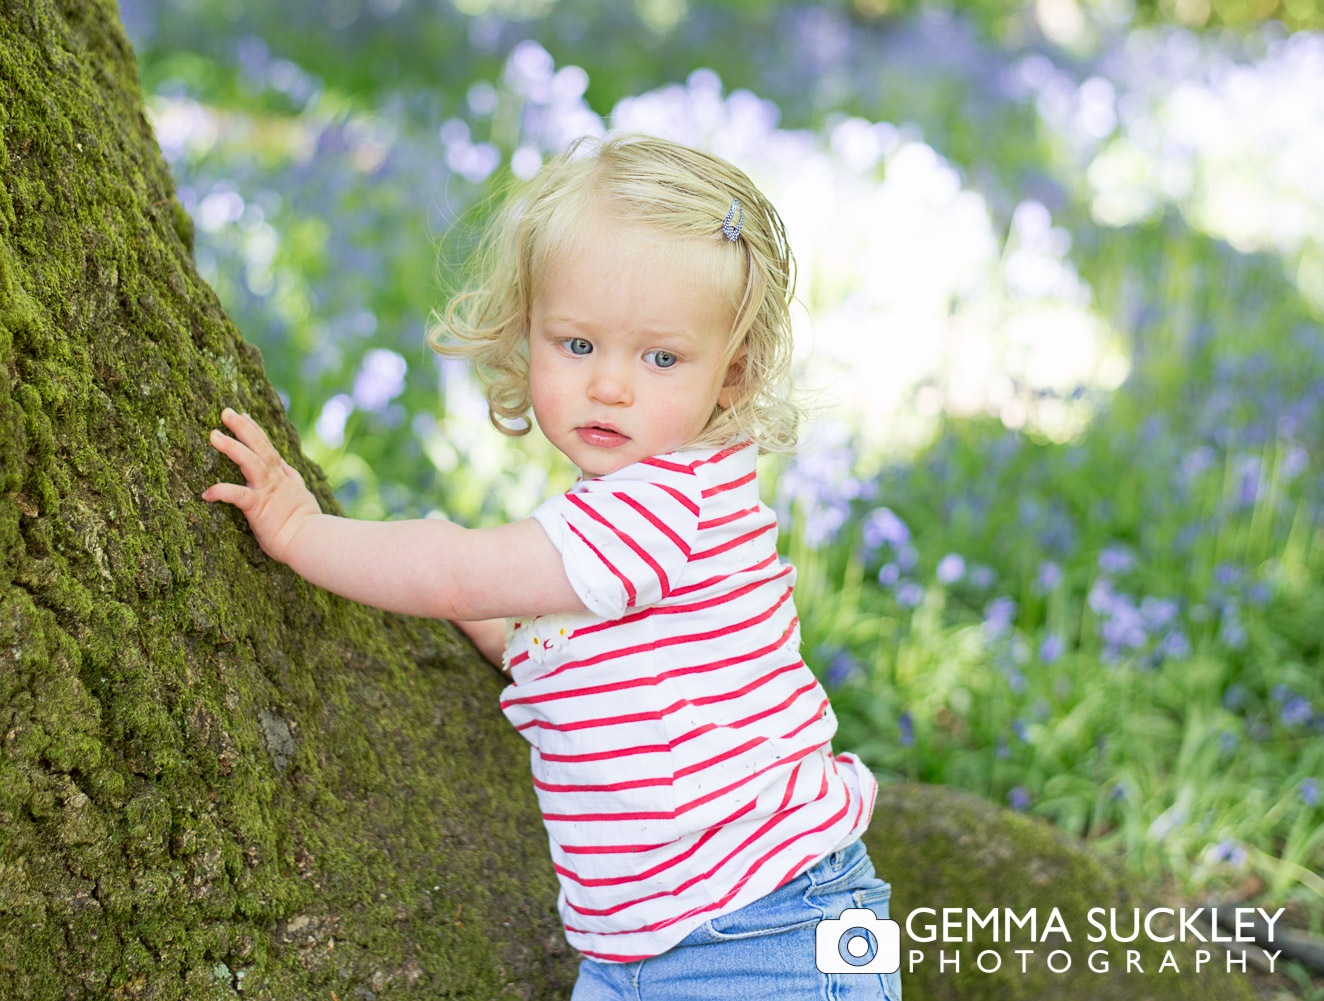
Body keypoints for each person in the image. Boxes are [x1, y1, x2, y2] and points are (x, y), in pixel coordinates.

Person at [202, 133, 899, 1001]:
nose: (610, 385)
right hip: (648, 942)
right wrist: (488, 614)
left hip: (767, 932)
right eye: (576, 345)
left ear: (734, 374)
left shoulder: (659, 508)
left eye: (661, 357)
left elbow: (457, 572)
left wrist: (302, 530)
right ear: (525, 331)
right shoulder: (641, 514)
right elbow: (564, 646)